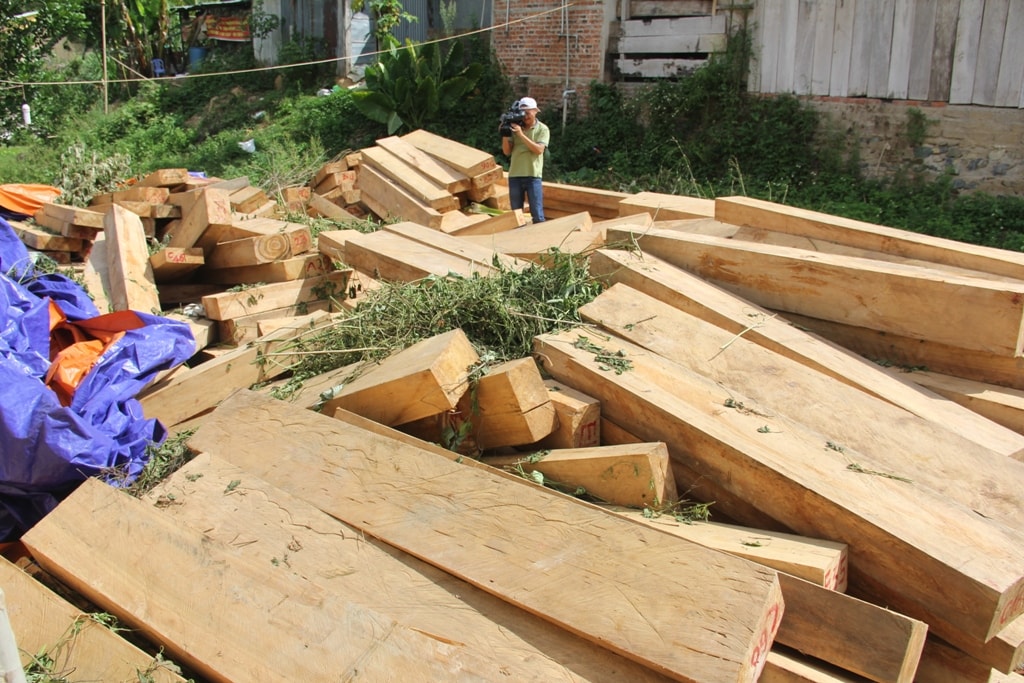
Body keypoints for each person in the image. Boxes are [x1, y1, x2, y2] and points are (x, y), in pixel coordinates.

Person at [501, 96, 549, 223]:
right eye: (523, 113)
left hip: (533, 176)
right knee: (516, 216)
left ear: (535, 111)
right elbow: (506, 151)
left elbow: (539, 150)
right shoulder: (515, 127)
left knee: (537, 214)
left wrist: (520, 135)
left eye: (528, 113)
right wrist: (505, 134)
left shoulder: (542, 129)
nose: (525, 117)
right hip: (515, 175)